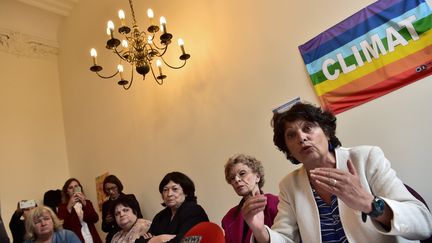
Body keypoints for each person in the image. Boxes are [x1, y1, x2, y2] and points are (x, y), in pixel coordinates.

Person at [243, 101, 432, 243]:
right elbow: (285, 237)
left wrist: (370, 204)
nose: (302, 137)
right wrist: (261, 232)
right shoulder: (289, 185)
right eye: (291, 135)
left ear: (326, 131)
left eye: (308, 128)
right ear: (288, 150)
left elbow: (424, 223)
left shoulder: (366, 158)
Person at [222, 154, 279, 243]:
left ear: (257, 177)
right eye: (232, 178)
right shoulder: (228, 217)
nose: (237, 179)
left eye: (242, 173)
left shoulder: (275, 203)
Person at [144, 172, 209, 243]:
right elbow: (139, 241)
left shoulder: (194, 211)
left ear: (186, 192)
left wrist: (153, 240)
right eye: (165, 190)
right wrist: (159, 239)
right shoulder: (160, 216)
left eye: (175, 189)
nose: (169, 194)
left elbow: (184, 241)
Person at [57, 178, 102, 243]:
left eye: (76, 186)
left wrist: (84, 203)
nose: (74, 189)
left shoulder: (87, 202)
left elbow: (95, 219)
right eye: (70, 187)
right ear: (67, 191)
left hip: (92, 238)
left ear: (80, 188)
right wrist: (69, 207)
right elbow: (63, 227)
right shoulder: (62, 207)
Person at [102, 175, 144, 243]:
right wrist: (107, 222)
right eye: (108, 189)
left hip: (133, 232)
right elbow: (104, 228)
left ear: (118, 186)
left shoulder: (130, 198)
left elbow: (139, 216)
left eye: (113, 188)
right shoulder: (105, 205)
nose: (111, 192)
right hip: (114, 236)